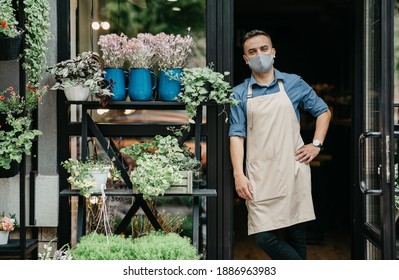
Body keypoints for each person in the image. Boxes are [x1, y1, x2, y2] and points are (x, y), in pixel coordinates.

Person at [229, 30, 331, 260]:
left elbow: (323, 111)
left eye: (264, 49)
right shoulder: (238, 94)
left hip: (292, 171)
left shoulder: (293, 83)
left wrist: (316, 144)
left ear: (273, 52)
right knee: (264, 237)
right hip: (259, 177)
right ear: (246, 59)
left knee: (297, 237)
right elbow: (236, 136)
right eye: (252, 52)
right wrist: (238, 175)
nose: (259, 55)